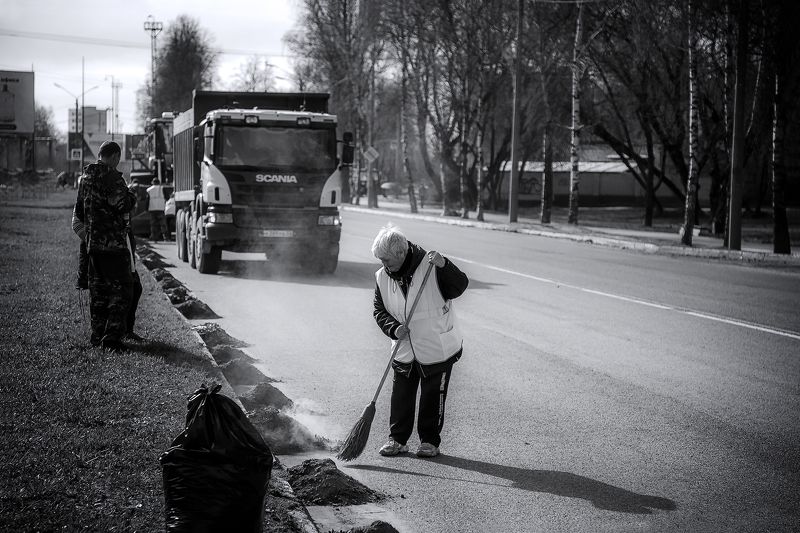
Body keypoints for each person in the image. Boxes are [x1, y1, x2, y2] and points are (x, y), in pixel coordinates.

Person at [371, 224, 469, 458]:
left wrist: (446, 265)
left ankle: (429, 442)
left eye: (386, 259)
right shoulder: (382, 276)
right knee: (401, 395)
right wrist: (394, 329)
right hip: (404, 348)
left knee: (432, 396)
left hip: (437, 346)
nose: (384, 264)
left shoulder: (432, 266)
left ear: (401, 253)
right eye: (381, 260)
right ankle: (397, 440)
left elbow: (460, 286)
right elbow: (378, 310)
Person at [72, 140, 137, 351]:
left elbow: (79, 213)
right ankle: (112, 339)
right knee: (122, 291)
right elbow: (122, 204)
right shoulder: (113, 178)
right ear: (115, 156)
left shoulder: (85, 179)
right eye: (118, 159)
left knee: (98, 294)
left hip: (93, 246)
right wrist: (131, 196)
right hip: (113, 246)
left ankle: (97, 335)